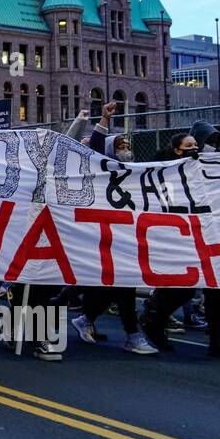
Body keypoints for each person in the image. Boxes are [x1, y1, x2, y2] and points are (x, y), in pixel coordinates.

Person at [138, 126, 220, 361]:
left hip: (208, 235)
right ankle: (153, 320)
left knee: (219, 289)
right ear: (176, 151)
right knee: (182, 289)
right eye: (189, 147)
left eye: (196, 146)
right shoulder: (165, 173)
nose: (195, 150)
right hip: (178, 238)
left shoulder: (207, 170)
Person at [78, 102, 158, 355]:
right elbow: (97, 150)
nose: (126, 151)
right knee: (121, 285)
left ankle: (87, 319)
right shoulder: (102, 169)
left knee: (118, 285)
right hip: (103, 235)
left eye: (128, 147)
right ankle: (132, 335)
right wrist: (103, 119)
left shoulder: (135, 173)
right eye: (120, 147)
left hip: (126, 236)